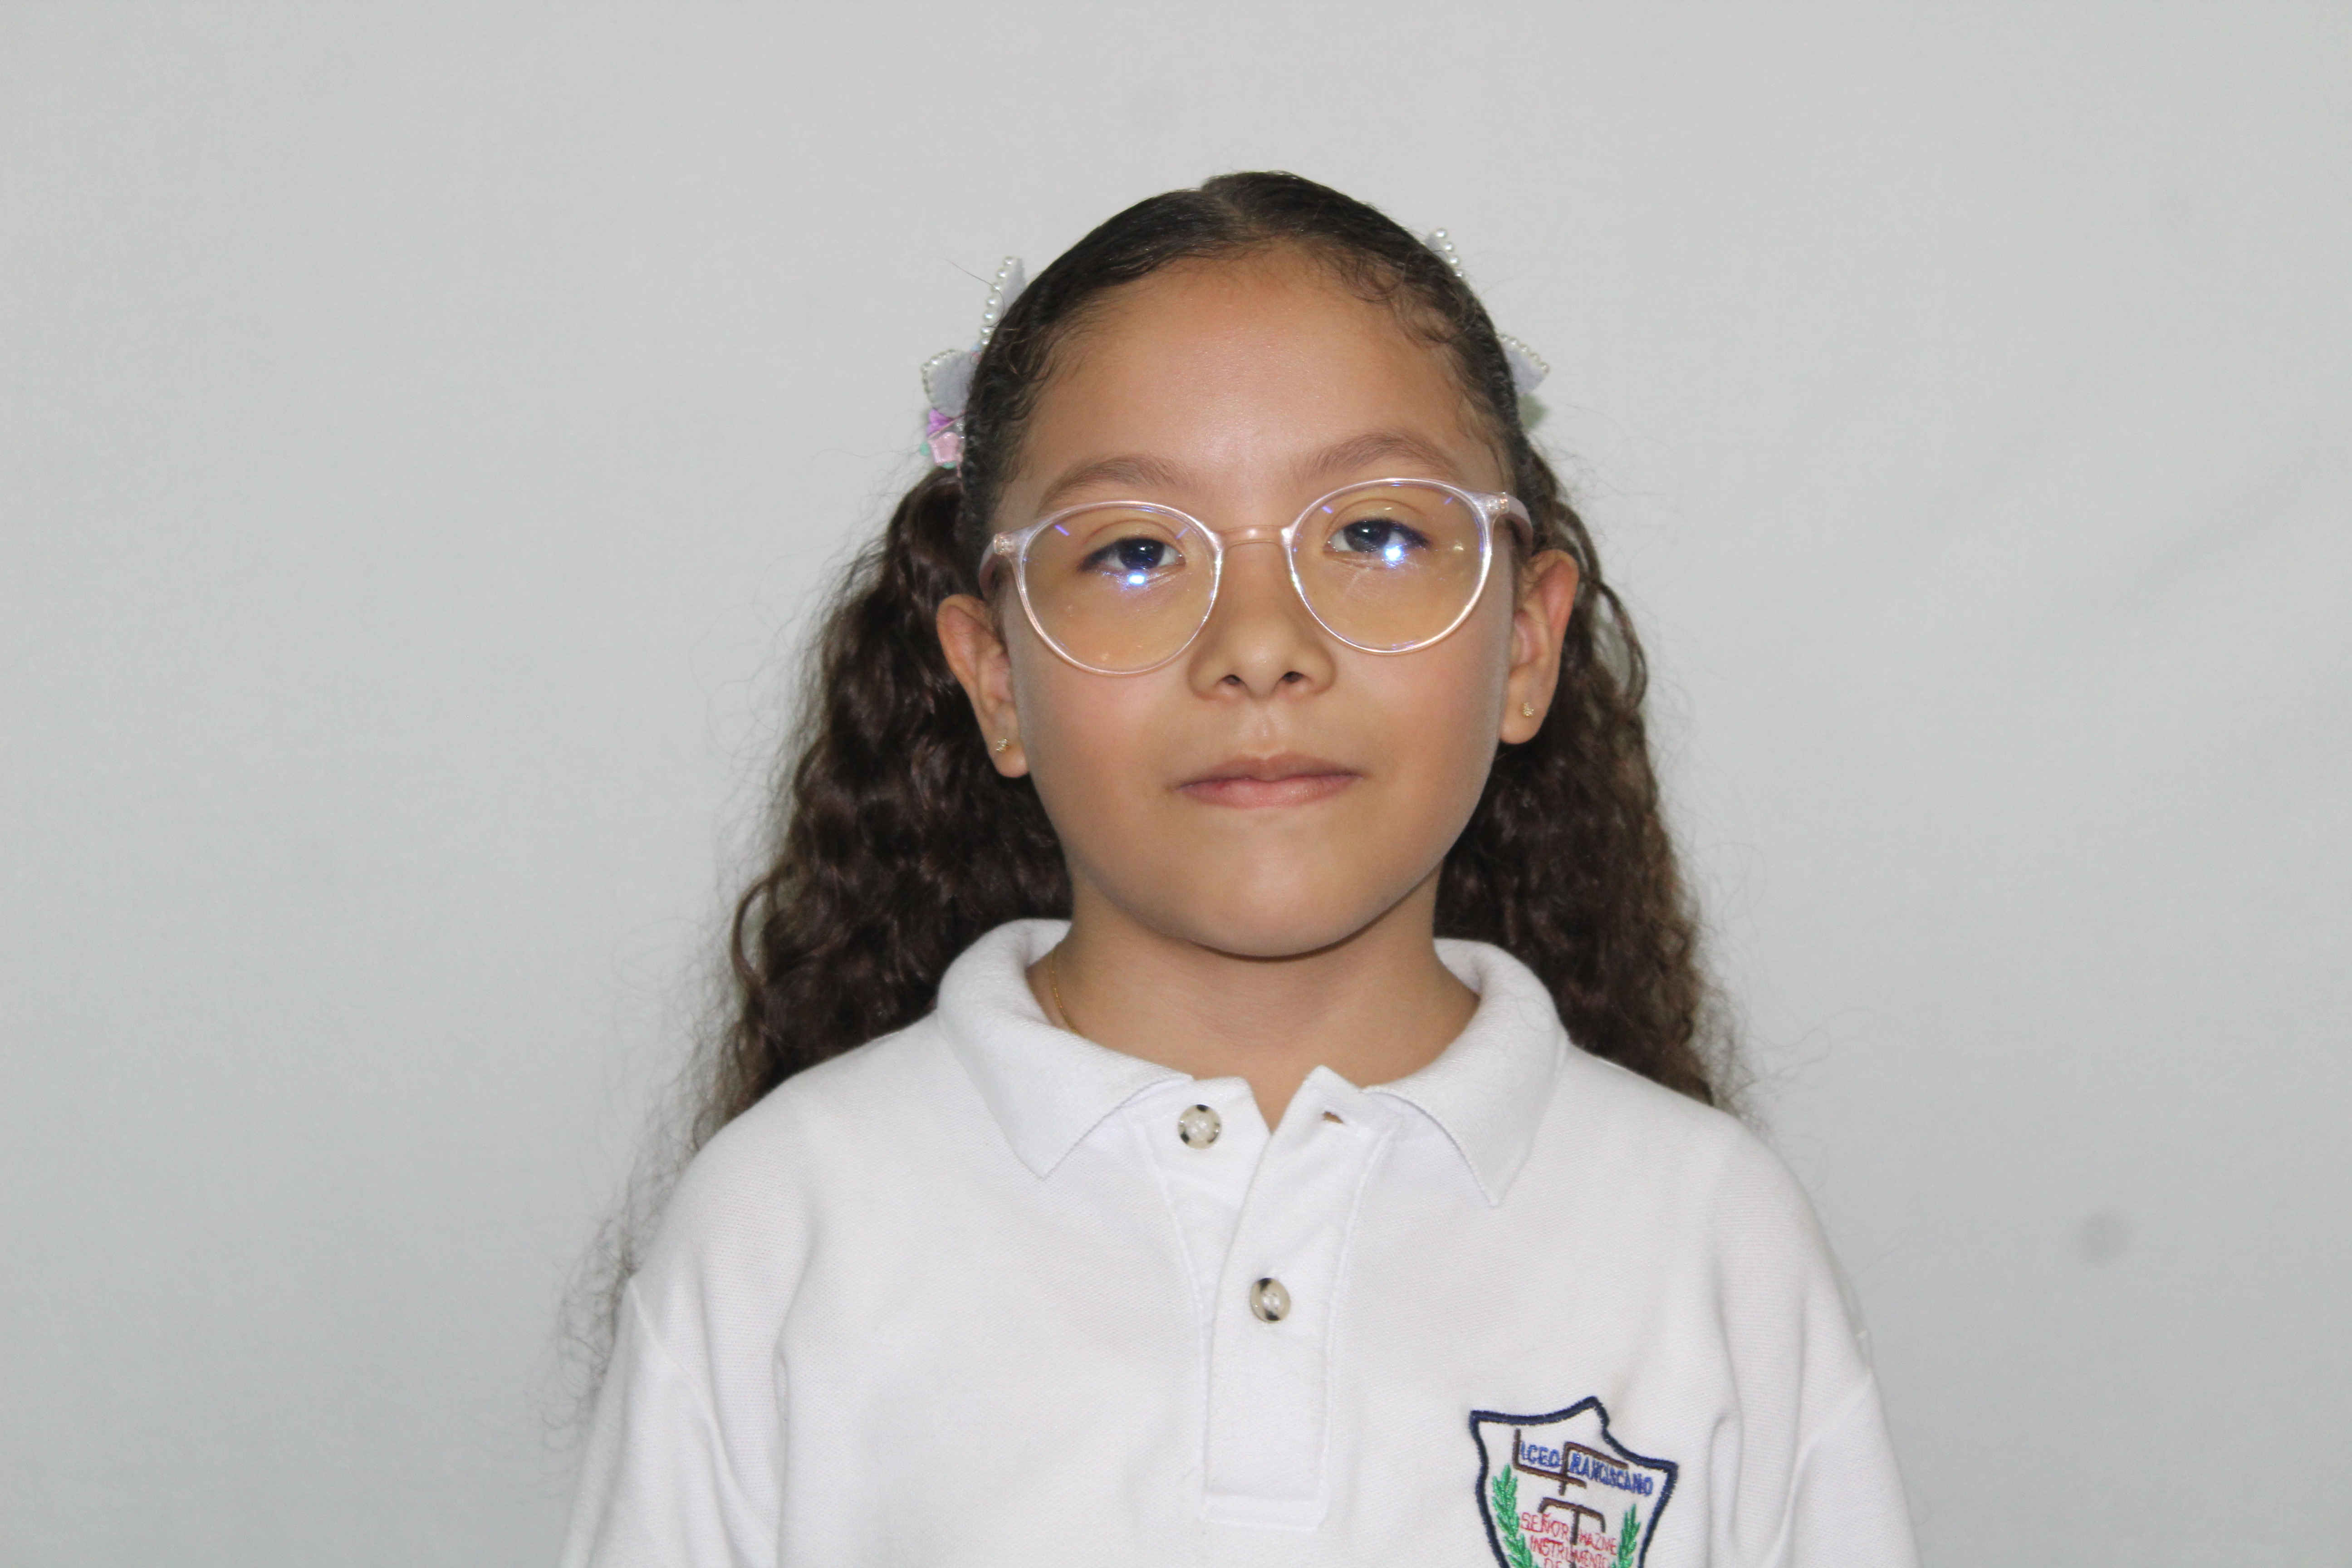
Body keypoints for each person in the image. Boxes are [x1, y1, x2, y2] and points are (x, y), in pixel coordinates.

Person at [561, 172, 1916, 1567]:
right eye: (1136, 551)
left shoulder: (1713, 1241)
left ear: (1525, 644)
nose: (1261, 644)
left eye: (1375, 534)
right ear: (996, 678)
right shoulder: (786, 1228)